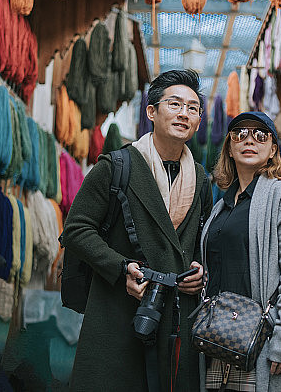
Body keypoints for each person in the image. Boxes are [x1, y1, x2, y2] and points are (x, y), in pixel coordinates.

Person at [62, 69, 213, 392]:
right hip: (119, 310)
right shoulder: (117, 166)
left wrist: (200, 270)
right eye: (174, 104)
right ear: (151, 112)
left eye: (193, 108)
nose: (184, 113)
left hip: (175, 317)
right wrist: (120, 267)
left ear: (199, 120)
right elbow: (76, 229)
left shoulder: (200, 180)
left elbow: (200, 238)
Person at [202, 111, 281, 392]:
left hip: (259, 340)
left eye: (260, 135)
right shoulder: (221, 206)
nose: (249, 140)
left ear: (273, 148)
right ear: (229, 146)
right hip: (216, 338)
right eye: (240, 134)